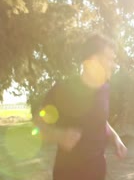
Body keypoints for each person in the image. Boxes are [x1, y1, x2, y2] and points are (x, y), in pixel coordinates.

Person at [34, 33, 127, 180]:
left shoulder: (104, 88)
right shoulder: (62, 90)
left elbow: (100, 120)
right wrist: (59, 135)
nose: (113, 65)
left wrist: (115, 138)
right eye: (109, 59)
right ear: (93, 61)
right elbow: (38, 126)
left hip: (97, 171)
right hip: (68, 173)